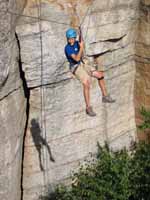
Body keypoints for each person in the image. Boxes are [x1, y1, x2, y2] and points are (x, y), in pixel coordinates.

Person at [64, 28, 115, 117]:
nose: (70, 40)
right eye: (69, 39)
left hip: (83, 63)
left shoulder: (76, 42)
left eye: (72, 38)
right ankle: (88, 108)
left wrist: (80, 32)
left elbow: (81, 40)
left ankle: (105, 96)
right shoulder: (68, 48)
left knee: (100, 75)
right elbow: (76, 58)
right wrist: (81, 48)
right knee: (86, 83)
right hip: (75, 66)